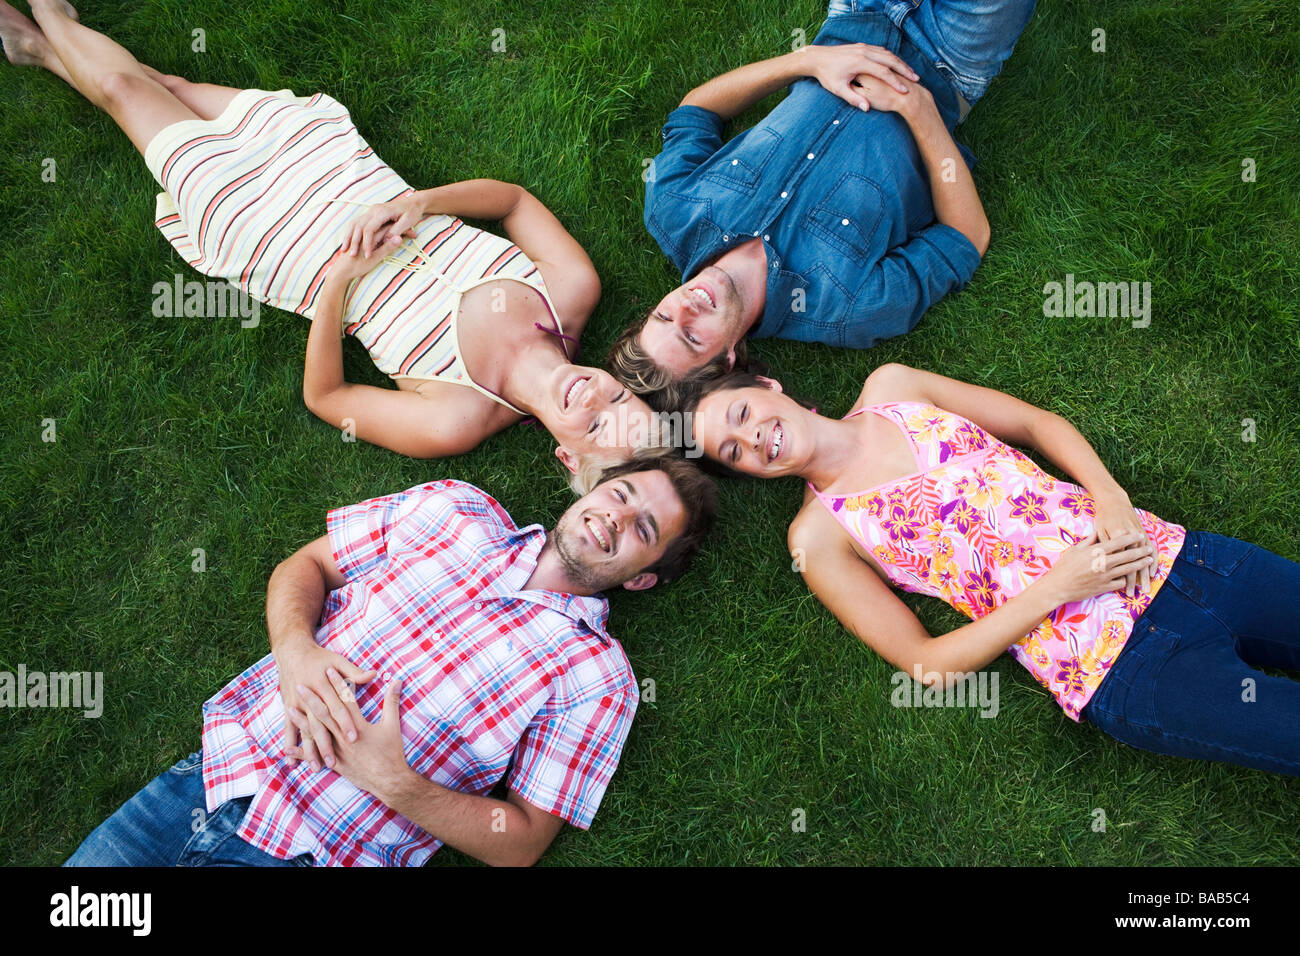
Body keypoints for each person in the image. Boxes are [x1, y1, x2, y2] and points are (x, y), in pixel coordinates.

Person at [1, 1, 662, 485]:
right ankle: (41, 51)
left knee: (123, 89)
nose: (597, 400)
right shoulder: (573, 290)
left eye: (599, 430)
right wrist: (418, 202)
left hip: (271, 235)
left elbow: (328, 399)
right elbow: (513, 200)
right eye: (622, 400)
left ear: (567, 457)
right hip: (340, 172)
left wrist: (342, 277)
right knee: (164, 88)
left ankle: (51, 17)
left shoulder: (454, 420)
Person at [64, 455, 718, 866]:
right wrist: (296, 652)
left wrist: (396, 782)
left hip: (319, 852)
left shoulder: (597, 678)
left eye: (642, 530)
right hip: (206, 780)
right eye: (624, 494)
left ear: (641, 579)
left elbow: (522, 840)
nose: (616, 517)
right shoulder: (455, 508)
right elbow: (308, 565)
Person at [687, 363, 1300, 776]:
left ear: (768, 386)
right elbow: (927, 664)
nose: (752, 440)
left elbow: (1035, 424)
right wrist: (1059, 588)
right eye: (732, 454)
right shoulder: (818, 538)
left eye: (741, 414)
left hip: (1180, 558)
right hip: (1117, 667)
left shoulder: (894, 387)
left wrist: (1110, 496)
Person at [609, 0, 1036, 409]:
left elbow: (695, 111)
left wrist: (809, 61)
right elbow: (966, 238)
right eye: (692, 337)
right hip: (947, 63)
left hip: (855, 16)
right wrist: (917, 108)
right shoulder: (847, 309)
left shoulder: (674, 211)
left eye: (664, 317)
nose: (686, 307)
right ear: (727, 361)